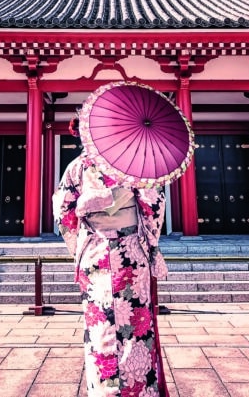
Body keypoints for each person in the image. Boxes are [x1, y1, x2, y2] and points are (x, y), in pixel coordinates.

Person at [53, 116, 169, 397]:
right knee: (136, 323)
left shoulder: (76, 168)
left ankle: (104, 390)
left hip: (95, 253)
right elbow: (154, 207)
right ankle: (138, 389)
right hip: (131, 252)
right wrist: (147, 236)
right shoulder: (134, 167)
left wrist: (81, 243)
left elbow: (64, 214)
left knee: (100, 325)